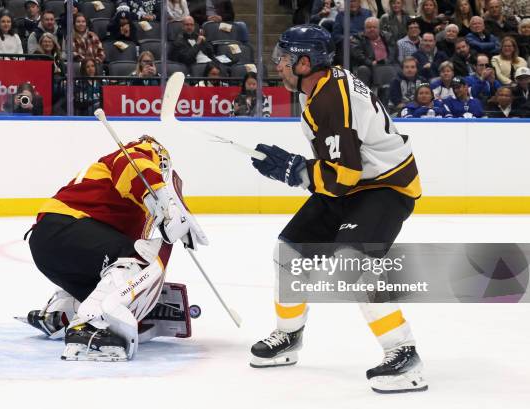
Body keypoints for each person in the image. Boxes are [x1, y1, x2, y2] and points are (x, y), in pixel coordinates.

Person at [249, 24, 426, 394]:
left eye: (284, 58)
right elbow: (340, 170)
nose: (278, 64)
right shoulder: (315, 85)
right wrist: (299, 169)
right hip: (355, 183)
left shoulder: (329, 98)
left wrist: (294, 171)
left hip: (386, 186)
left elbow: (343, 175)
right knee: (289, 253)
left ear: (305, 62)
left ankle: (404, 355)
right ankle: (289, 336)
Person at [26, 135, 206, 361]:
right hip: (69, 227)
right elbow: (133, 164)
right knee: (140, 257)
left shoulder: (131, 203)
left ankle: (61, 312)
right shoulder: (139, 153)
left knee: (115, 274)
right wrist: (168, 206)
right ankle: (91, 326)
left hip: (49, 243)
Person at [350, 17, 397, 87]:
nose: (372, 29)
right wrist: (371, 62)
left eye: (374, 27)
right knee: (364, 69)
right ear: (364, 29)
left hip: (387, 64)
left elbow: (393, 52)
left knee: (399, 68)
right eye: (369, 27)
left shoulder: (387, 36)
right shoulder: (357, 38)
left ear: (379, 28)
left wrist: (388, 61)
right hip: (369, 65)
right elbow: (358, 54)